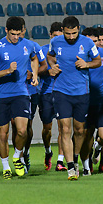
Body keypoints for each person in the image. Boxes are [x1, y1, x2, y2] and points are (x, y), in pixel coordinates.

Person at [47, 16, 101, 180]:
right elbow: (50, 56)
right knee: (65, 129)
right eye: (68, 33)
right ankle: (70, 167)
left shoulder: (88, 43)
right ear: (63, 31)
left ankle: (75, 158)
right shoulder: (55, 42)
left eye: (74, 33)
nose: (71, 37)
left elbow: (98, 61)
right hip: (61, 91)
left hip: (81, 92)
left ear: (78, 30)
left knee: (79, 130)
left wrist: (87, 64)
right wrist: (53, 66)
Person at [0, 17, 41, 179]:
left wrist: (35, 75)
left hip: (21, 93)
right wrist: (7, 71)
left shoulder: (28, 45)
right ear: (6, 30)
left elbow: (34, 58)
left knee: (22, 130)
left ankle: (17, 156)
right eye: (13, 34)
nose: (16, 37)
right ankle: (5, 167)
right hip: (1, 95)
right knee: (3, 133)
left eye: (18, 34)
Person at [80, 27, 103, 175]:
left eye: (95, 41)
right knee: (87, 134)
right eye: (90, 41)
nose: (94, 44)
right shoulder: (79, 56)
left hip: (102, 101)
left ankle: (97, 147)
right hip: (85, 101)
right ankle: (86, 166)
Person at [15, 27, 47, 174]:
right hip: (13, 92)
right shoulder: (7, 47)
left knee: (27, 126)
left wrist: (33, 74)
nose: (19, 34)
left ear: (24, 30)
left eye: (20, 31)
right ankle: (18, 155)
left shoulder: (33, 46)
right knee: (16, 127)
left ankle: (25, 153)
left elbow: (44, 65)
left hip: (31, 91)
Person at [38, 22, 63, 171]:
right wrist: (48, 72)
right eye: (54, 36)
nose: (57, 39)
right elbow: (36, 71)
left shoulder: (66, 51)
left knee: (63, 128)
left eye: (60, 37)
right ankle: (48, 151)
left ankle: (60, 160)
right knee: (47, 128)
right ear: (50, 35)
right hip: (46, 93)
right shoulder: (42, 51)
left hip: (62, 92)